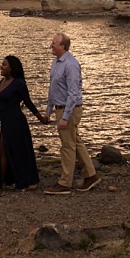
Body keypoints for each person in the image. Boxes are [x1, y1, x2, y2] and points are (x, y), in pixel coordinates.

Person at [43, 32, 100, 194]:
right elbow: (53, 89)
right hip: (59, 108)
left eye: (54, 43)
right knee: (76, 142)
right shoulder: (56, 63)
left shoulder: (71, 64)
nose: (51, 45)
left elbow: (73, 93)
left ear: (63, 46)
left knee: (67, 146)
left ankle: (65, 183)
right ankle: (91, 175)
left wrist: (65, 117)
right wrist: (48, 111)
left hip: (69, 109)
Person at [0, 54, 47, 191]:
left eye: (4, 65)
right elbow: (0, 104)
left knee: (20, 152)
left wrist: (41, 118)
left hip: (16, 122)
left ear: (11, 68)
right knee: (2, 151)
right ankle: (1, 182)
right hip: (5, 121)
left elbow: (28, 102)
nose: (1, 67)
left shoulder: (19, 83)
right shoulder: (2, 82)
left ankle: (28, 180)